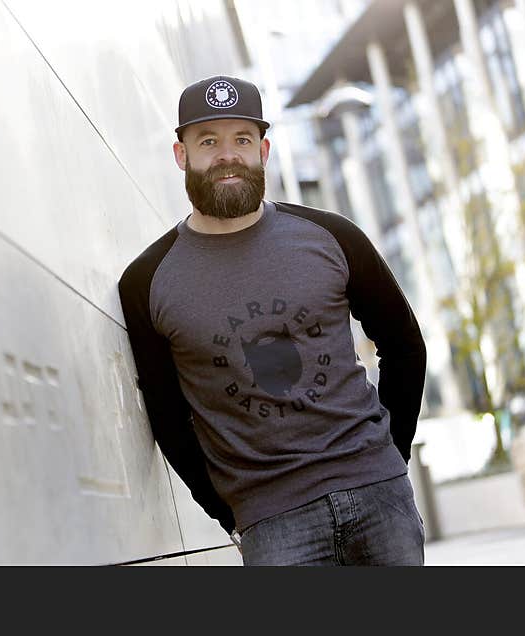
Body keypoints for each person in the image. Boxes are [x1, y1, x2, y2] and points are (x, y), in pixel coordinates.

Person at [117, 76, 427, 566]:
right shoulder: (147, 281)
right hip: (272, 520)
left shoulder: (332, 236)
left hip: (377, 495)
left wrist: (392, 459)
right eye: (208, 141)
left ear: (262, 150)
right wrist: (225, 511)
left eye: (241, 139)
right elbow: (167, 414)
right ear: (182, 155)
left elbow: (404, 344)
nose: (227, 155)